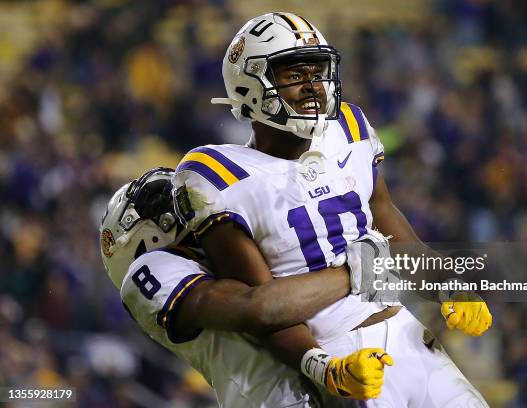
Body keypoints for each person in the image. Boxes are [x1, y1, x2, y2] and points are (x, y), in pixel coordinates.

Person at [172, 12, 492, 407]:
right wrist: (323, 367)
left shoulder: (350, 127)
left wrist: (448, 286)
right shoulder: (219, 176)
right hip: (344, 353)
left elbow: (396, 233)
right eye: (293, 74)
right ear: (250, 85)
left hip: (408, 333)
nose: (313, 87)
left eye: (317, 71)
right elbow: (263, 310)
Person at [100, 167, 393, 407]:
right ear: (134, 239)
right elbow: (255, 308)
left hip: (330, 383)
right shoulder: (146, 272)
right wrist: (352, 271)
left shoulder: (226, 248)